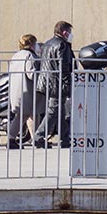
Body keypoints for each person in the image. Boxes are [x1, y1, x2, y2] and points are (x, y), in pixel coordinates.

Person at [34, 20, 75, 149]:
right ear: (64, 32)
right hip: (57, 83)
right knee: (53, 111)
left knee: (60, 112)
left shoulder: (47, 44)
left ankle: (65, 138)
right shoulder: (62, 45)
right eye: (69, 32)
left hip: (47, 82)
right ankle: (39, 137)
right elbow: (64, 65)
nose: (70, 35)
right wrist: (68, 83)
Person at [7, 34, 44, 149]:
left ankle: (35, 139)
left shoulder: (16, 55)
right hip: (28, 91)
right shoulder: (30, 56)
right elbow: (31, 73)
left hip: (17, 90)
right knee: (27, 115)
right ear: (32, 44)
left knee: (27, 115)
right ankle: (13, 138)